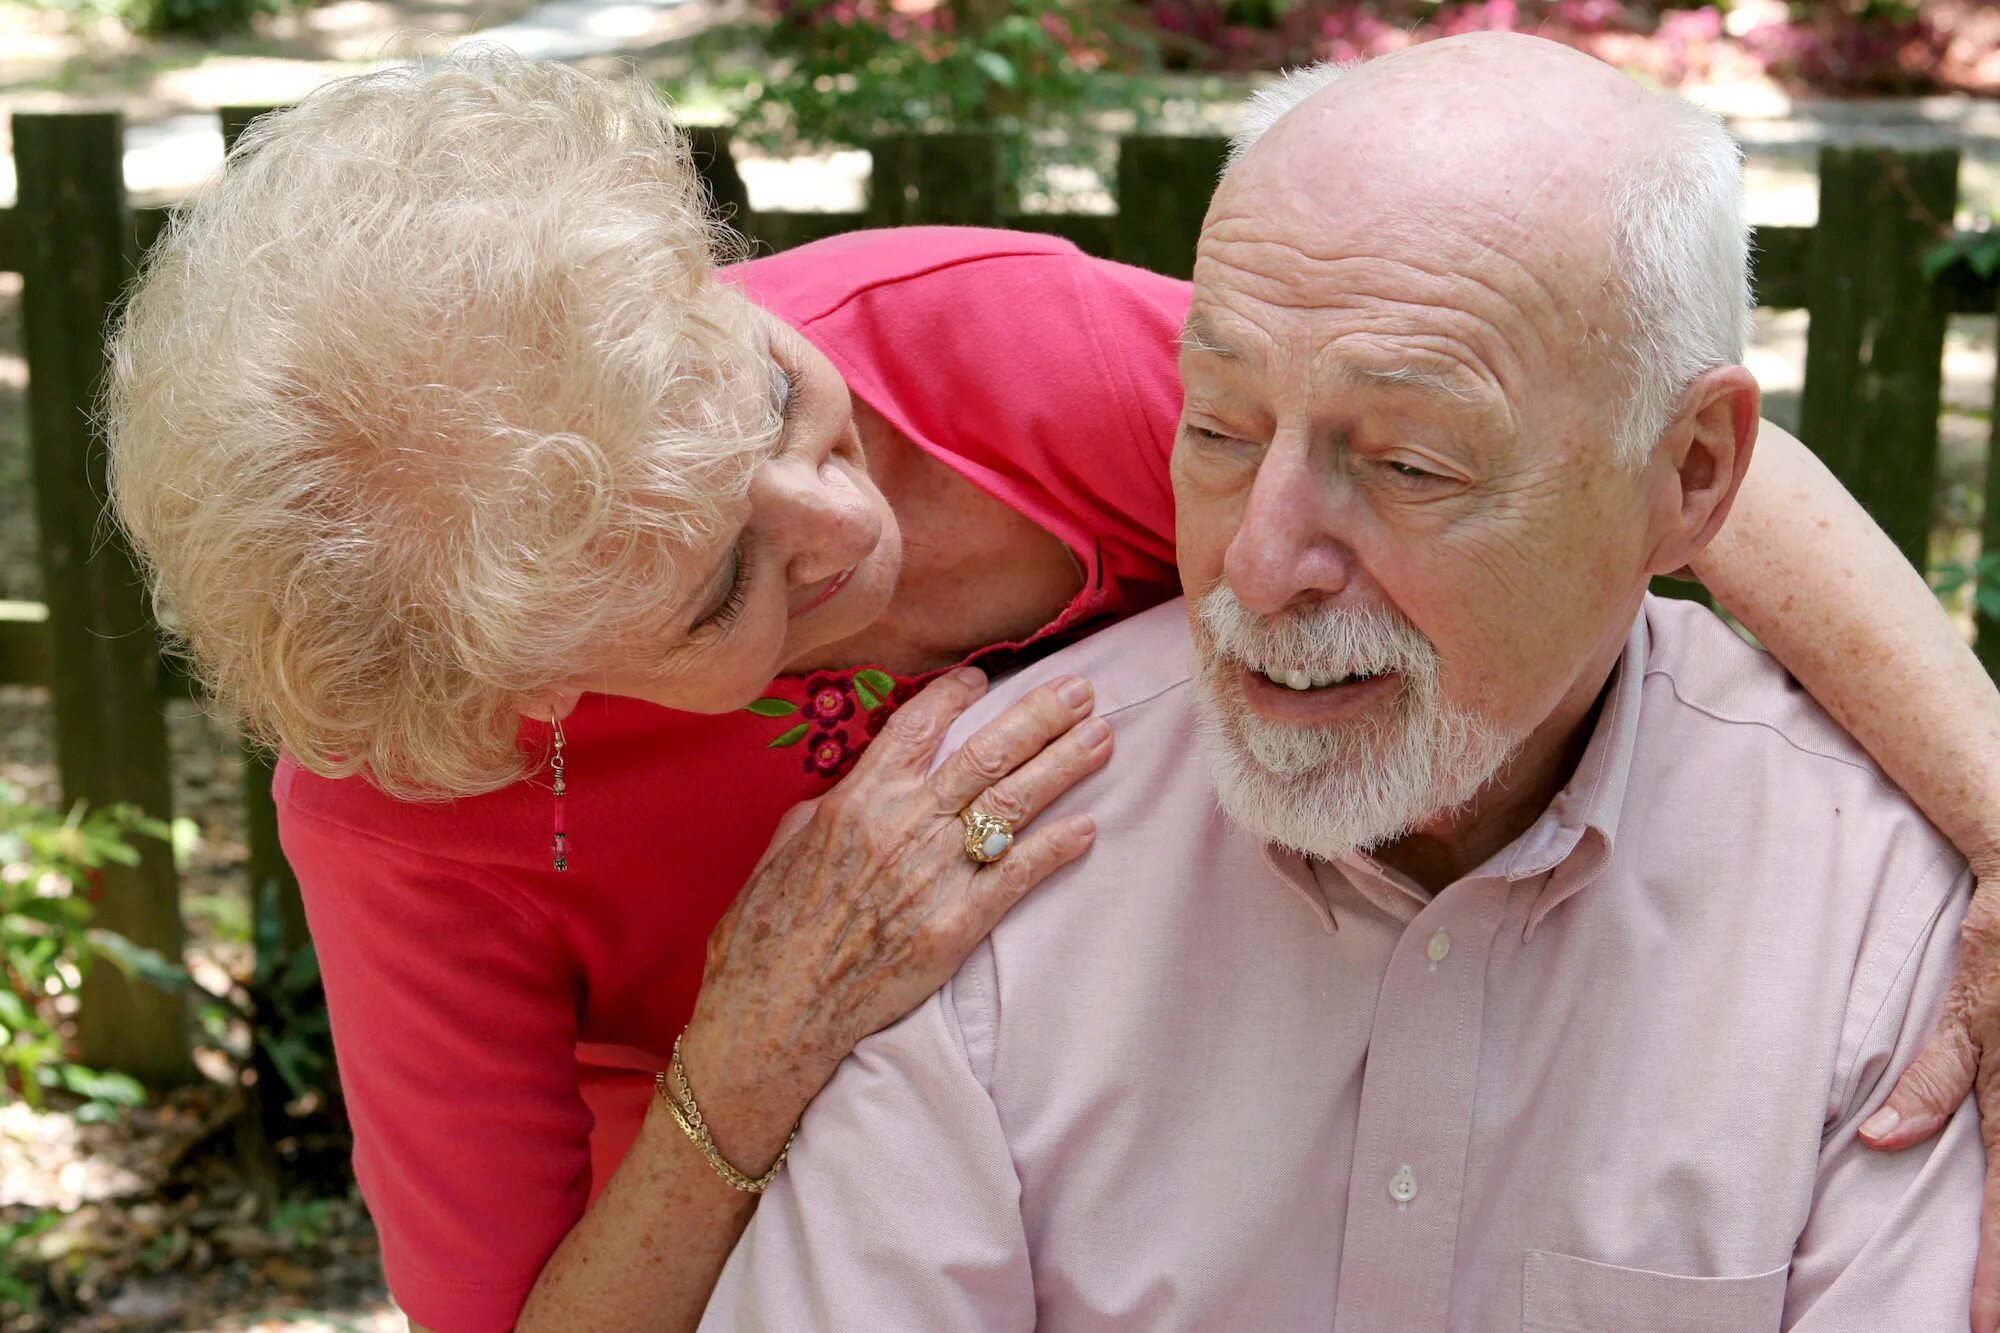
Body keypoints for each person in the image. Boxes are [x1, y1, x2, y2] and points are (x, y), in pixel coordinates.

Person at [100, 47, 2000, 1333]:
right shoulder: (410, 807)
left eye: (772, 397)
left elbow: (1565, 436)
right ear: (511, 682)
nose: (844, 524)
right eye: (717, 587)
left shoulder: (975, 354)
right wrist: (751, 1046)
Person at [698, 36, 1985, 1331]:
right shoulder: (970, 867)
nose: (1258, 566)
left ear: (1692, 474)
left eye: (1413, 464)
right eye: (1215, 428)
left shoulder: (1879, 928)